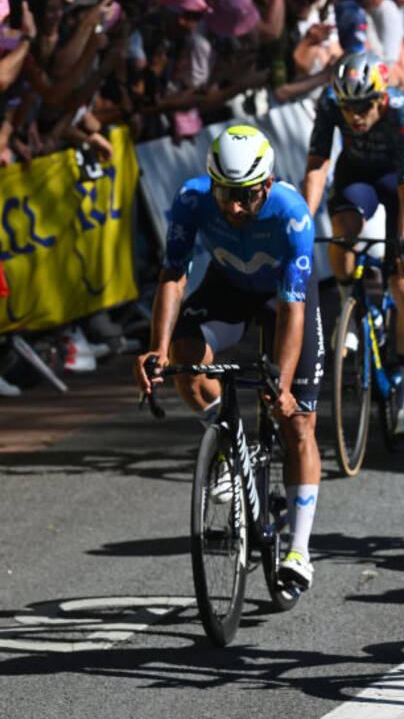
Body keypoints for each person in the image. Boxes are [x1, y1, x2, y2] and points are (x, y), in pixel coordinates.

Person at [133, 125, 324, 592]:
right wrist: (157, 347)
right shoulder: (191, 199)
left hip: (285, 299)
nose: (234, 208)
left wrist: (279, 387)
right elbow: (173, 275)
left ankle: (299, 550)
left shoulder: (292, 213)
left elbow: (293, 310)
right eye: (224, 195)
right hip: (229, 287)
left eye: (245, 197)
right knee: (187, 362)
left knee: (297, 423)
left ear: (266, 184)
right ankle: (228, 444)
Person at [303, 51, 404, 438]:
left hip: (400, 181)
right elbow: (317, 165)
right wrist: (301, 223)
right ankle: (350, 307)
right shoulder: (330, 104)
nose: (354, 116)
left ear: (380, 98)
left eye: (362, 106)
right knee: (342, 228)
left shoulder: (401, 109)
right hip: (356, 172)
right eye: (348, 107)